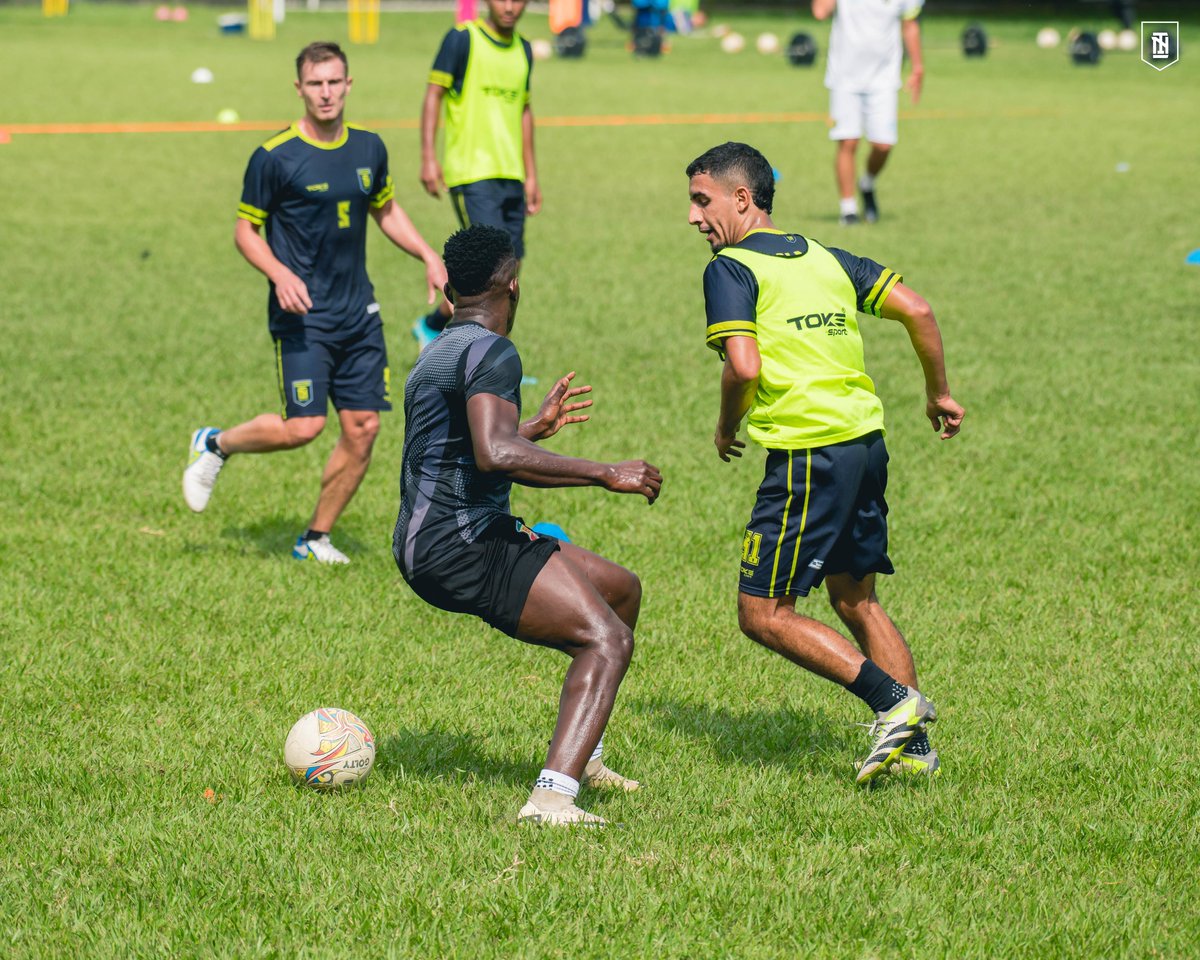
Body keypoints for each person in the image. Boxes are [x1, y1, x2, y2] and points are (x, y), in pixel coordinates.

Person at [685, 142, 964, 782]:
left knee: (762, 613)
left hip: (809, 455)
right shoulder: (826, 256)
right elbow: (917, 309)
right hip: (865, 444)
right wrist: (938, 392)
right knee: (855, 597)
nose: (695, 218)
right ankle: (916, 751)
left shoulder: (730, 268)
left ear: (741, 199)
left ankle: (894, 705)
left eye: (702, 201)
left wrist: (727, 423)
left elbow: (743, 366)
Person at [394, 225, 662, 825]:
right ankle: (551, 797)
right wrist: (605, 472)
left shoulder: (436, 351)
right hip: (460, 544)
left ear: (448, 289)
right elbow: (493, 454)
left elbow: (456, 445)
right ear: (512, 283)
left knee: (620, 591)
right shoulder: (493, 350)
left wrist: (530, 431)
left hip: (431, 538)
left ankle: (583, 753)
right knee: (607, 639)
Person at [182, 42, 447, 564]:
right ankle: (216, 444)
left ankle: (314, 538)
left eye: (334, 82)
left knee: (364, 428)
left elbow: (385, 208)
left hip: (359, 312)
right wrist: (278, 273)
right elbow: (245, 231)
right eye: (315, 83)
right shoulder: (274, 156)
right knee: (303, 427)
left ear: (349, 84)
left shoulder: (370, 148)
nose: (325, 92)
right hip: (302, 313)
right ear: (299, 89)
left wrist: (426, 254)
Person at [413, 0, 541, 349]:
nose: (510, 6)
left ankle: (438, 327)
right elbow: (433, 95)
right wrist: (428, 156)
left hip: (511, 173)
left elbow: (524, 111)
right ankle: (476, 355)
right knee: (491, 271)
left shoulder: (524, 49)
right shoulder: (462, 40)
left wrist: (531, 175)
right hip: (471, 172)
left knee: (511, 270)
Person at [812, 0, 924, 225]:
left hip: (884, 79)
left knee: (883, 145)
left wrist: (917, 67)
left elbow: (909, 25)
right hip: (844, 77)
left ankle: (867, 183)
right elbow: (820, 12)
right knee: (848, 141)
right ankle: (848, 209)